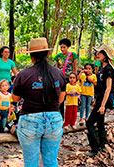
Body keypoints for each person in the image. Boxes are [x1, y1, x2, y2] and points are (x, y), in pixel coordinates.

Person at [12, 37, 66, 167]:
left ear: (31, 56)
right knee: (51, 161)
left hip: (30, 120)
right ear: (47, 54)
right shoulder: (58, 73)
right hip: (54, 119)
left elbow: (15, 99)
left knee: (31, 163)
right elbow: (61, 99)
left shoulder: (24, 75)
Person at [86, 45, 114, 156]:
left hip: (104, 100)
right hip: (99, 99)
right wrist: (96, 100)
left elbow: (108, 88)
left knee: (89, 123)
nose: (97, 54)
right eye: (97, 52)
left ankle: (95, 148)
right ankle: (102, 145)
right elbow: (99, 86)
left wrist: (102, 105)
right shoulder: (102, 68)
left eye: (100, 53)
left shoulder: (108, 69)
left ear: (105, 55)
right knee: (100, 122)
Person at [54, 38, 78, 119]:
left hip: (70, 79)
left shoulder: (72, 55)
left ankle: (70, 117)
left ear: (67, 47)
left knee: (70, 97)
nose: (62, 49)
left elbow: (75, 67)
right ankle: (61, 116)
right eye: (61, 47)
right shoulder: (58, 56)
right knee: (60, 96)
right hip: (61, 78)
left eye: (64, 47)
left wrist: (76, 77)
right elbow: (57, 68)